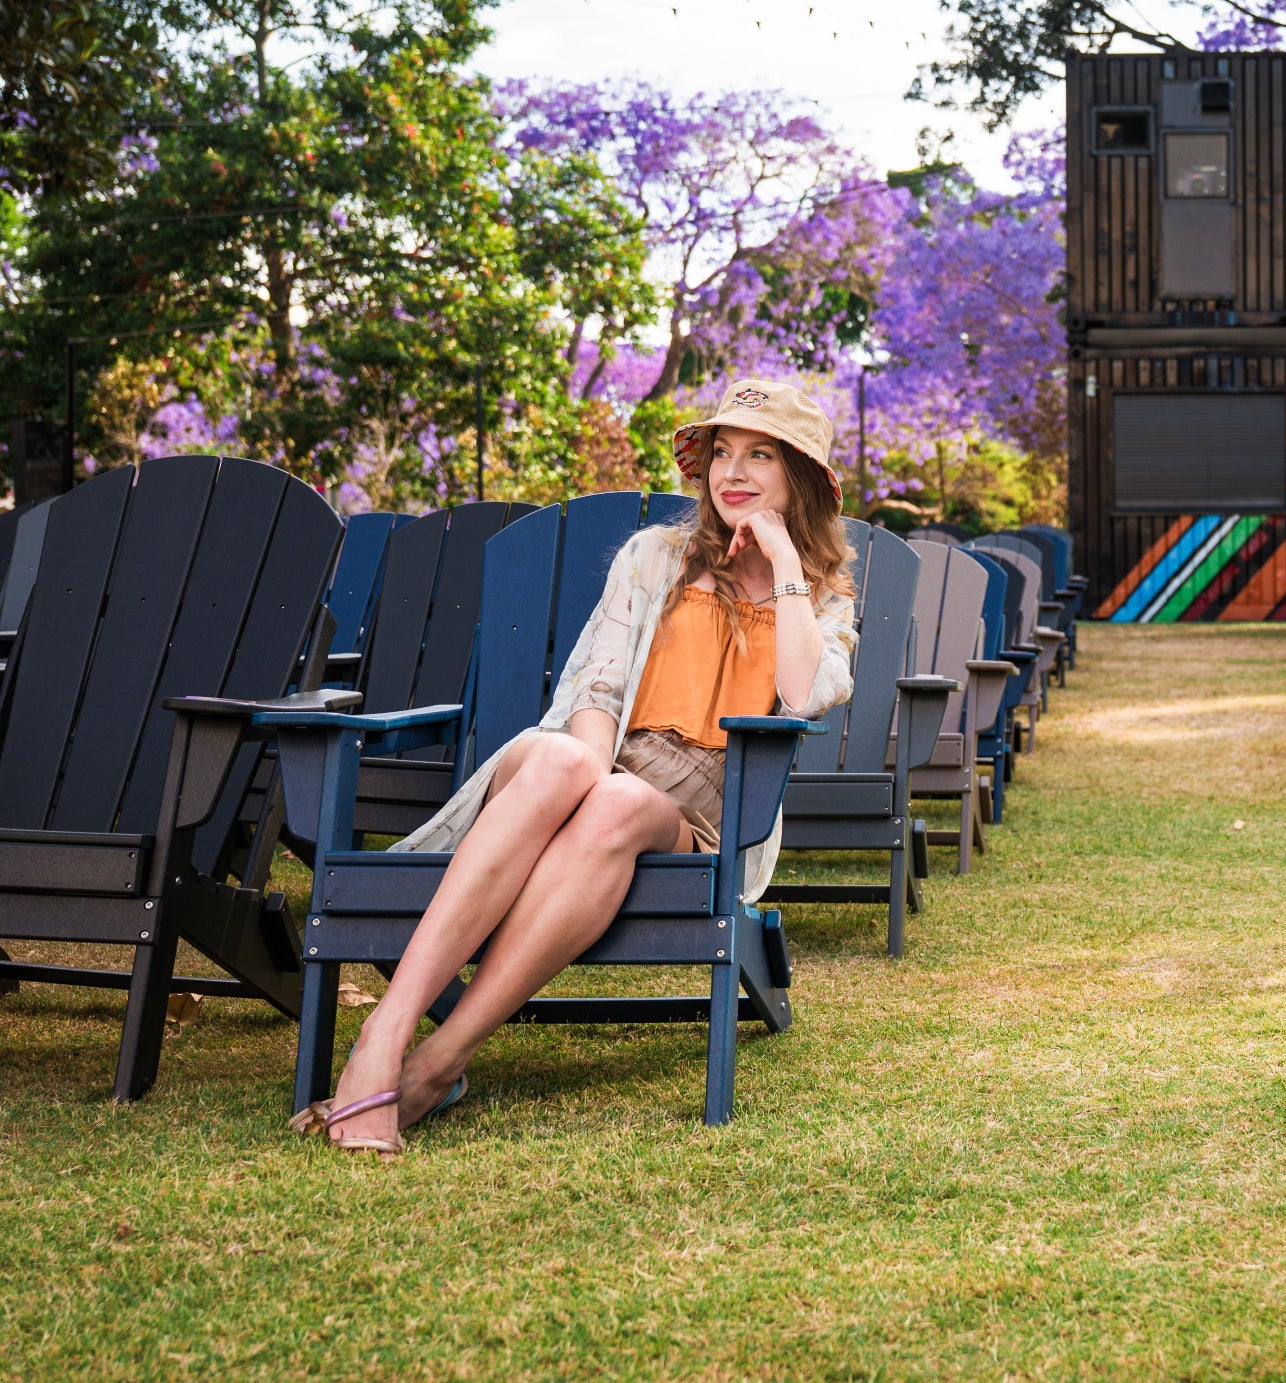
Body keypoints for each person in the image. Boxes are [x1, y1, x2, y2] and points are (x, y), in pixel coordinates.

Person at [294, 379, 861, 1157]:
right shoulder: (653, 558)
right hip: (578, 765)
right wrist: (589, 775)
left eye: (760, 454)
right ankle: (386, 1031)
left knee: (619, 805)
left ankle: (437, 1059)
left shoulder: (822, 601)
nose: (732, 470)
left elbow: (803, 693)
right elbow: (594, 687)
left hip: (688, 816)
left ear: (798, 475)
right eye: (722, 452)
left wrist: (785, 559)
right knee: (579, 769)